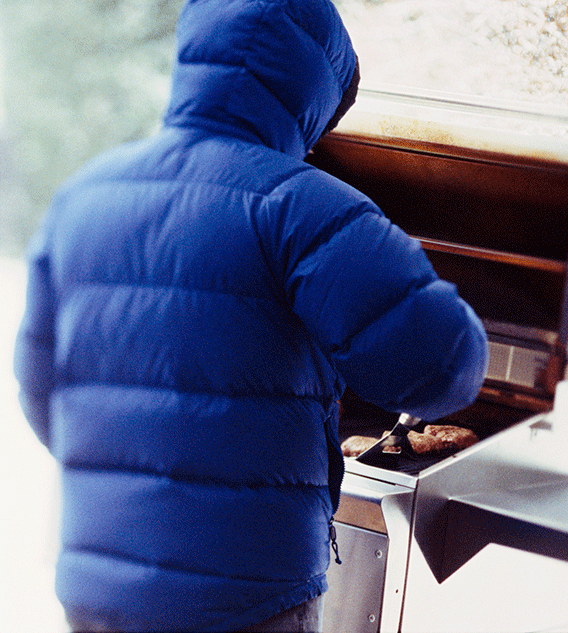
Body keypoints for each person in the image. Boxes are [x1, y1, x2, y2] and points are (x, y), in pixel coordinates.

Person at [13, 0, 488, 630]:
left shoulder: (83, 196)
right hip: (246, 601)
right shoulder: (304, 209)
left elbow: (44, 394)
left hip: (99, 590)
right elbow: (441, 367)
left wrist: (138, 475)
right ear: (313, 87)